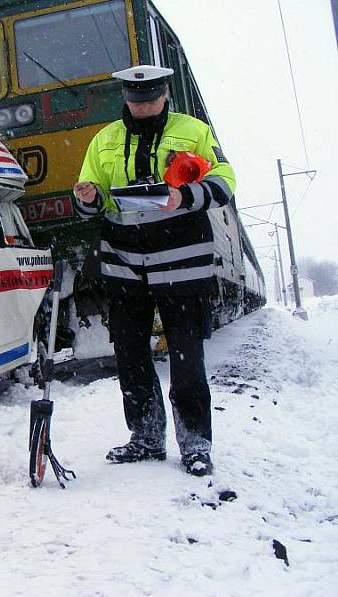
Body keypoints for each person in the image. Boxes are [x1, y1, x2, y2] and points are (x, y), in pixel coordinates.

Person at [72, 65, 236, 477]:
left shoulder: (193, 131)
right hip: (125, 266)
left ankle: (196, 444)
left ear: (164, 95)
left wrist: (185, 195)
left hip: (182, 264)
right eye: (134, 99)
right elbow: (89, 197)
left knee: (186, 360)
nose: (142, 106)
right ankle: (145, 438)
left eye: (149, 99)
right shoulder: (104, 139)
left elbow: (224, 178)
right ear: (125, 98)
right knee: (130, 357)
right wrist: (87, 196)